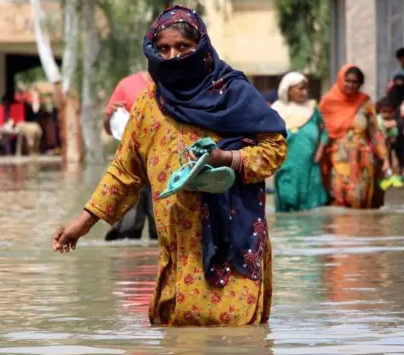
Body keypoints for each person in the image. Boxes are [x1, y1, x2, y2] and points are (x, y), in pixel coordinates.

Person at [52, 6, 287, 326]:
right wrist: (84, 222)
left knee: (237, 337)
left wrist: (226, 159)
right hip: (177, 243)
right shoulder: (149, 104)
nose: (173, 56)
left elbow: (274, 148)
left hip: (232, 242)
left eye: (182, 47)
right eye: (163, 49)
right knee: (179, 330)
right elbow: (124, 171)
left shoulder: (232, 92)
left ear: (200, 47)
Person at [319, 65, 389, 209]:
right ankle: (341, 231)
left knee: (361, 200)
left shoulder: (365, 102)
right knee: (339, 196)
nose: (351, 85)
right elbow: (321, 131)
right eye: (348, 81)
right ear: (341, 80)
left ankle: (360, 230)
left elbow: (374, 132)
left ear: (360, 83)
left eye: (355, 82)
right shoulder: (328, 102)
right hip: (338, 158)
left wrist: (384, 157)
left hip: (363, 160)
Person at [102, 71, 158, 241]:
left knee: (165, 233)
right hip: (133, 168)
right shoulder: (126, 85)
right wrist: (111, 115)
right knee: (127, 231)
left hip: (164, 170)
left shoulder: (180, 85)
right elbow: (108, 129)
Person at [272, 72, 328, 212]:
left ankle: (307, 233)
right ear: (289, 90)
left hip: (310, 163)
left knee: (309, 203)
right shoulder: (277, 110)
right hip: (286, 163)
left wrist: (319, 153)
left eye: (306, 89)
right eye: (300, 88)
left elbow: (324, 132)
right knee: (287, 198)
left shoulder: (312, 108)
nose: (305, 92)